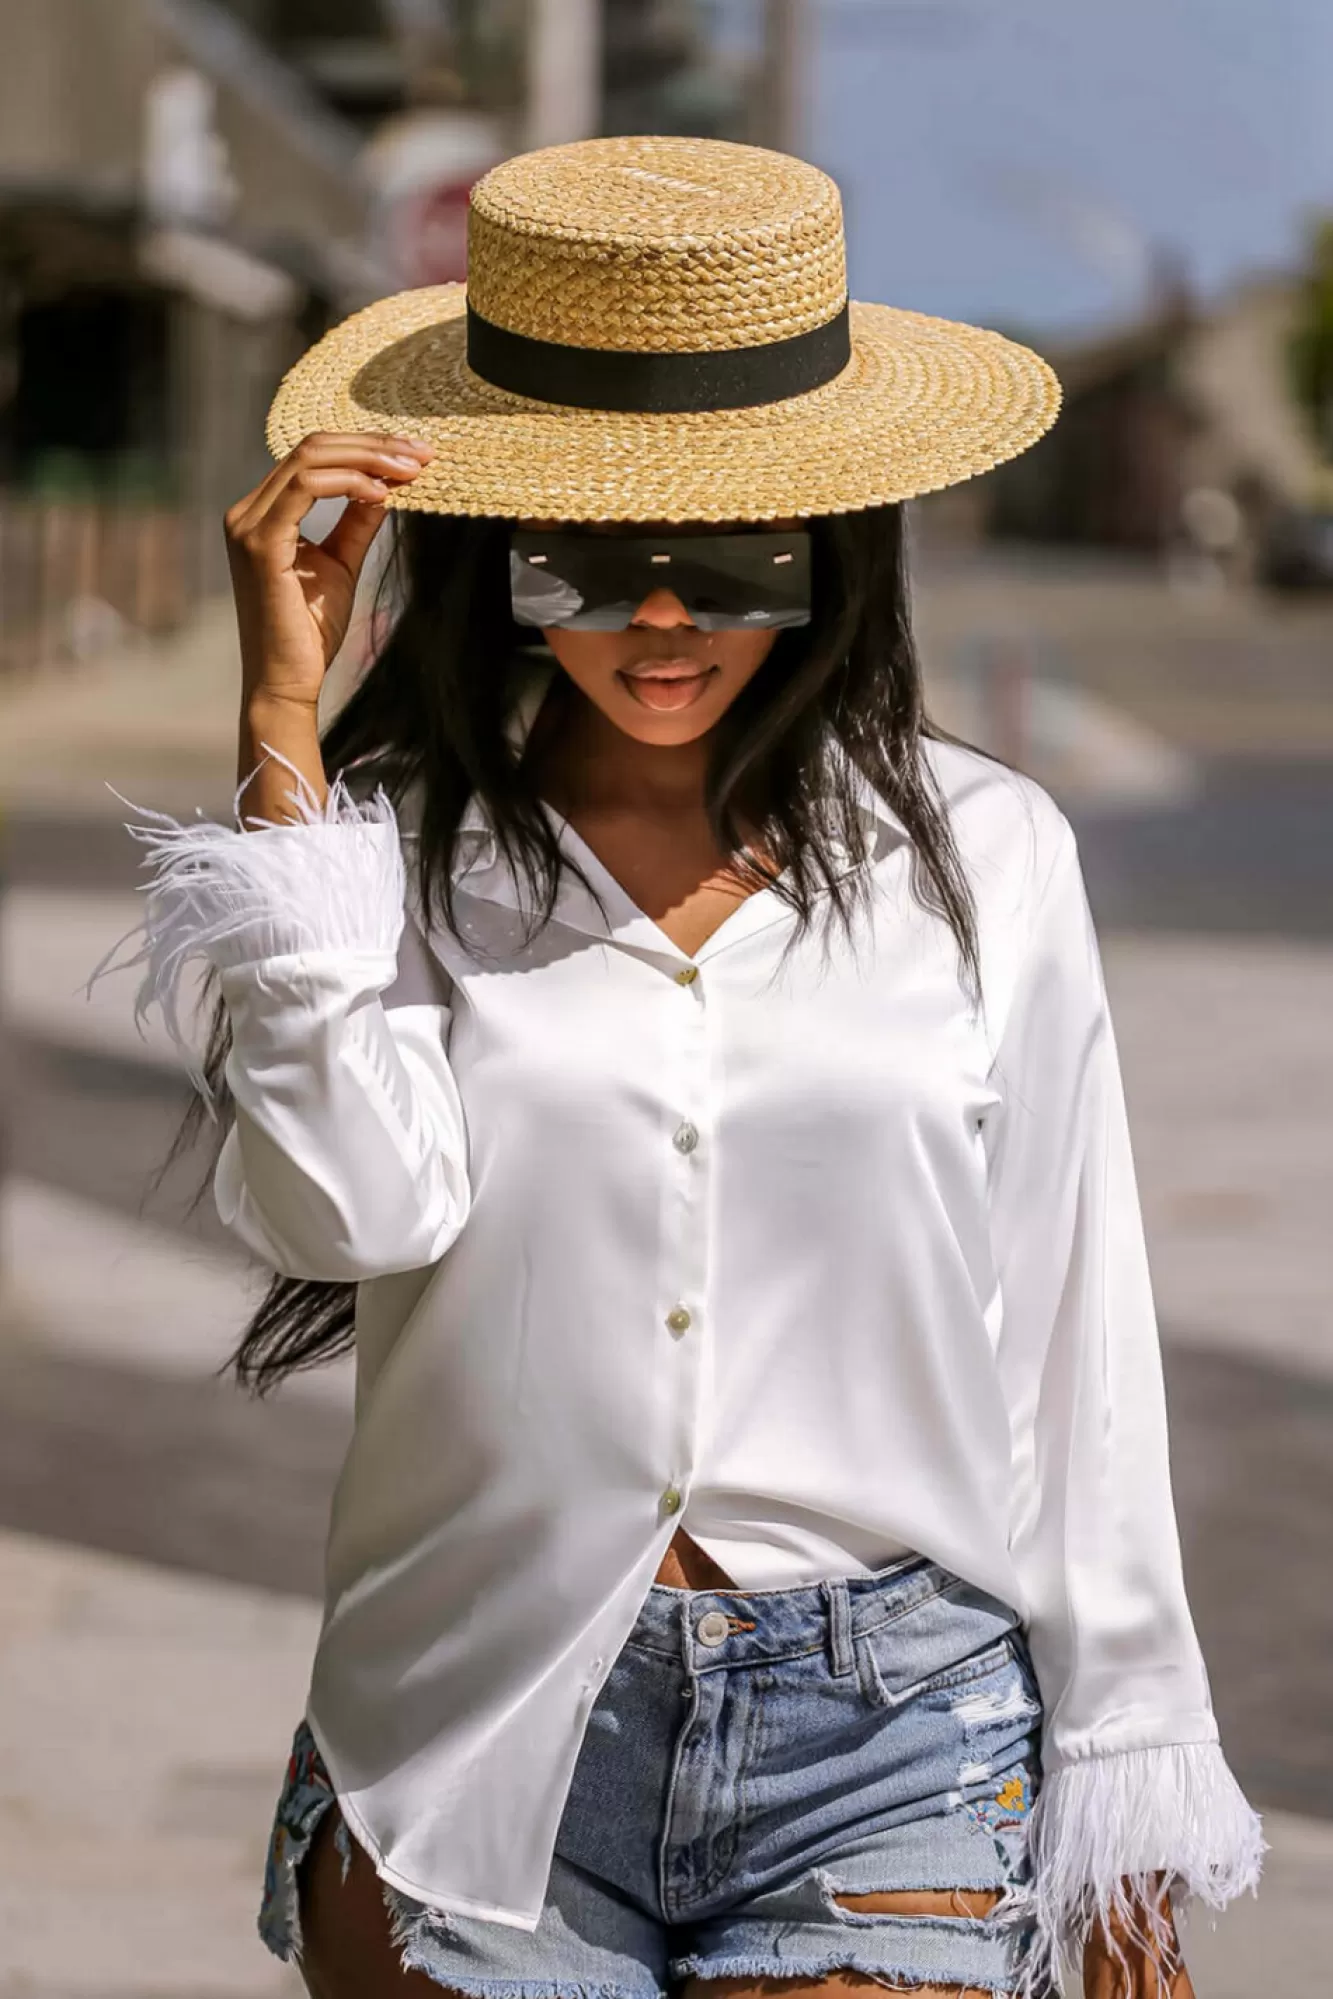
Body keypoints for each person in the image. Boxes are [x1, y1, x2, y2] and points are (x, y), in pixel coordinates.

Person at [100, 136, 1264, 1999]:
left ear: (834, 538)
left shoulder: (989, 858)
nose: (662, 619)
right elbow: (343, 1213)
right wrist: (279, 730)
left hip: (893, 1734)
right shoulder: (385, 856)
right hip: (474, 1723)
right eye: (590, 556)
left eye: (729, 554)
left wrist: (1130, 1784)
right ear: (492, 551)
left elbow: (1073, 1327)